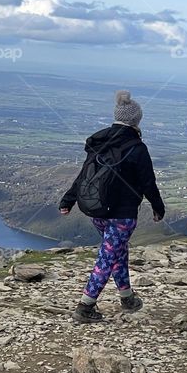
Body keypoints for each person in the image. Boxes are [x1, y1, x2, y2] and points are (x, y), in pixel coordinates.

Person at [59, 90, 166, 324]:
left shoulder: (100, 142)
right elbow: (148, 182)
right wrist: (158, 207)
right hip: (122, 214)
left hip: (97, 210)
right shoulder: (137, 147)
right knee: (107, 256)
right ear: (136, 120)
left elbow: (83, 175)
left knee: (117, 250)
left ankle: (127, 298)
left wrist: (69, 200)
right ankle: (85, 306)